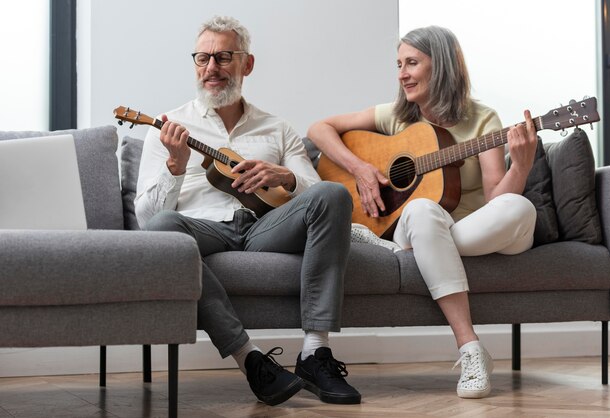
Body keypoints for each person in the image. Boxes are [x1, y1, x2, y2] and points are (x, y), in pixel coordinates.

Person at [134, 15, 361, 406]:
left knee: (334, 195)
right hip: (201, 228)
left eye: (224, 57)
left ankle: (314, 352)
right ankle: (250, 359)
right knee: (163, 228)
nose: (211, 68)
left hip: (264, 228)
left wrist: (286, 177)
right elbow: (147, 219)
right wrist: (175, 165)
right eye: (202, 58)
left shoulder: (277, 128)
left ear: (247, 64)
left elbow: (313, 191)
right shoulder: (168, 127)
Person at [307, 25, 538, 399]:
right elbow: (319, 129)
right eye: (399, 64)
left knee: (519, 207)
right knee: (421, 210)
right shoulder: (397, 117)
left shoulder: (483, 119)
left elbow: (498, 198)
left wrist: (522, 166)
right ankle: (471, 349)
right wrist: (361, 169)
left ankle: (406, 252)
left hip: (481, 229)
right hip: (428, 225)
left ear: (442, 65)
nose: (402, 74)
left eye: (411, 63)